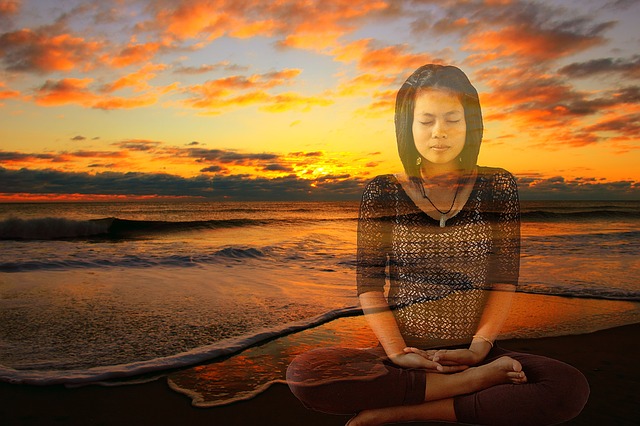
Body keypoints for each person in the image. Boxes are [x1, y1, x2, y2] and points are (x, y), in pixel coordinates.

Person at [286, 64, 589, 425]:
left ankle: (398, 414)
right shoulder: (383, 191)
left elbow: (504, 278)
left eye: (452, 120)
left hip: (476, 352)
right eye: (426, 120)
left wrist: (479, 350)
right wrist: (398, 353)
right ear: (407, 126)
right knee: (305, 375)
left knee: (567, 387)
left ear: (470, 124)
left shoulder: (497, 185)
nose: (439, 133)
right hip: (405, 355)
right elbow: (368, 285)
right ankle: (469, 387)